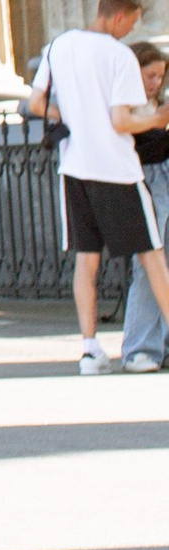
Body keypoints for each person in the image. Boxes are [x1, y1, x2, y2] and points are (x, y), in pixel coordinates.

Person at [26, 0, 169, 372]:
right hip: (117, 168)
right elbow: (121, 121)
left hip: (75, 167)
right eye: (132, 22)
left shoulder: (58, 47)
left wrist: (70, 115)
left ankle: (90, 349)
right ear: (118, 16)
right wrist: (157, 119)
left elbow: (36, 103)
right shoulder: (119, 56)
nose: (131, 30)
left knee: (86, 261)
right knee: (153, 257)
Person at [118, 44, 169, 372]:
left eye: (160, 77)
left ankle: (161, 343)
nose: (155, 83)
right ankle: (140, 347)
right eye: (150, 75)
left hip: (163, 174)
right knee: (150, 266)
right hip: (144, 179)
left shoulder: (156, 104)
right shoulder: (123, 108)